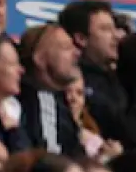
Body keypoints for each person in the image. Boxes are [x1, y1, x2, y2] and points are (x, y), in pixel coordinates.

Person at [59, 0, 136, 148]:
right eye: (105, 29)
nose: (117, 36)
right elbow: (130, 134)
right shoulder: (79, 82)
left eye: (114, 28)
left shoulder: (112, 75)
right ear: (81, 39)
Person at [17, 23, 85, 156]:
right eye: (66, 48)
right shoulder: (17, 100)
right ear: (40, 59)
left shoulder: (62, 105)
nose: (77, 53)